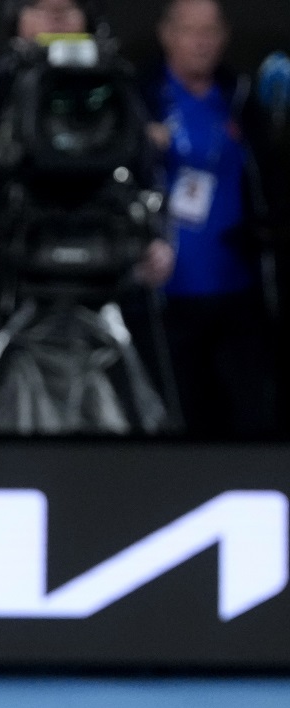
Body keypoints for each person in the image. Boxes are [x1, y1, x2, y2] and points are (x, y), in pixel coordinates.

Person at [0, 0, 175, 380]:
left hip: (104, 288)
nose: (55, 15)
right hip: (1, 289)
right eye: (39, 5)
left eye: (67, 7)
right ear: (15, 20)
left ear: (88, 19)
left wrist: (159, 241)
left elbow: (150, 180)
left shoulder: (116, 91)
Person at [144, 0, 286, 436]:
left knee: (251, 414)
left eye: (211, 31)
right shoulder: (140, 100)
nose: (202, 42)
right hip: (167, 295)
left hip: (239, 291)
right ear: (167, 34)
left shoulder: (241, 97)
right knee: (180, 416)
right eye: (191, 31)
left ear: (225, 37)